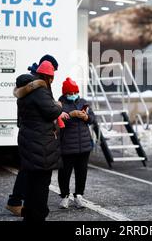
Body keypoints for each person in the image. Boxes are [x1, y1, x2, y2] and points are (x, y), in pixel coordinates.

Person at [6, 54, 59, 216]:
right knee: (35, 176)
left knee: (29, 172)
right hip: (37, 136)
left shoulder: (28, 86)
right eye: (54, 72)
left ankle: (19, 203)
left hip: (28, 133)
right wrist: (58, 106)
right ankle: (26, 206)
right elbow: (50, 110)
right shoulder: (39, 88)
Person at [57, 77, 95, 209]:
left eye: (75, 92)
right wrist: (71, 114)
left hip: (84, 145)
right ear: (65, 93)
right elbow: (58, 122)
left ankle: (79, 195)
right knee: (65, 172)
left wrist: (86, 117)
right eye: (70, 93)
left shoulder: (83, 102)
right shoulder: (59, 104)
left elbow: (92, 119)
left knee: (82, 172)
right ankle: (64, 196)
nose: (73, 95)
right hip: (67, 145)